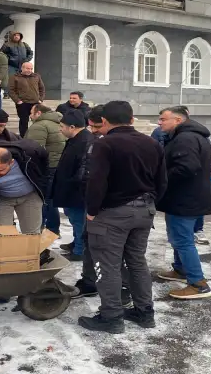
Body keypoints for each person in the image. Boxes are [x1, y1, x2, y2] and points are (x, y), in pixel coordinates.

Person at [78, 101, 167, 334]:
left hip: (112, 214)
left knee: (107, 265)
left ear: (104, 121)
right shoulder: (151, 143)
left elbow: (97, 181)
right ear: (132, 119)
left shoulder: (104, 144)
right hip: (145, 210)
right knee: (137, 262)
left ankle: (111, 317)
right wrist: (151, 202)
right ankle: (145, 312)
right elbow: (162, 180)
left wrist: (92, 210)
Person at [154, 106, 211, 300]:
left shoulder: (185, 138)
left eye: (163, 119)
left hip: (184, 199)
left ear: (178, 120)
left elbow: (186, 168)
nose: (159, 122)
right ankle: (181, 269)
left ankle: (198, 284)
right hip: (190, 197)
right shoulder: (191, 136)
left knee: (182, 240)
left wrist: (161, 178)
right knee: (180, 238)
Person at [53, 110, 94, 261]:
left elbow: (83, 169)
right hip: (69, 188)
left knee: (78, 221)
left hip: (76, 191)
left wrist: (72, 183)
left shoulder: (85, 141)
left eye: (62, 126)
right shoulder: (76, 139)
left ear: (72, 127)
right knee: (74, 219)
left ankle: (79, 250)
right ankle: (76, 243)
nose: (60, 129)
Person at [26, 104, 65, 235]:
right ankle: (53, 229)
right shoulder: (57, 123)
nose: (30, 115)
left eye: (31, 112)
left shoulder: (39, 126)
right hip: (57, 165)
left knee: (43, 199)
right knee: (50, 199)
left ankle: (46, 229)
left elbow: (33, 149)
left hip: (45, 168)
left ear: (38, 113)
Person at [8, 61, 45, 137]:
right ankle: (23, 137)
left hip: (35, 103)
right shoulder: (15, 77)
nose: (30, 70)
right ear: (22, 68)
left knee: (37, 121)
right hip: (23, 103)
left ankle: (36, 136)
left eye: (31, 69)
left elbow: (42, 88)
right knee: (23, 121)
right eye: (28, 68)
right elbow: (11, 90)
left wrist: (40, 99)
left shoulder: (36, 76)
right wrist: (18, 101)